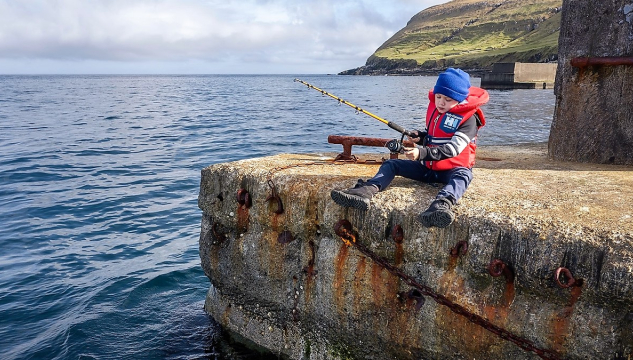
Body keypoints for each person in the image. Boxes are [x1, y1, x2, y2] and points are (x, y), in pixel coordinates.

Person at [330, 68, 489, 228]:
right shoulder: (439, 109)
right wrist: (421, 137)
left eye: (447, 99)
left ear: (459, 99)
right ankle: (366, 191)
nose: (440, 102)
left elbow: (452, 149)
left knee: (463, 176)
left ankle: (442, 204)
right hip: (427, 169)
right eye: (438, 97)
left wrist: (421, 153)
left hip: (451, 170)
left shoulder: (469, 120)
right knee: (391, 164)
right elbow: (435, 135)